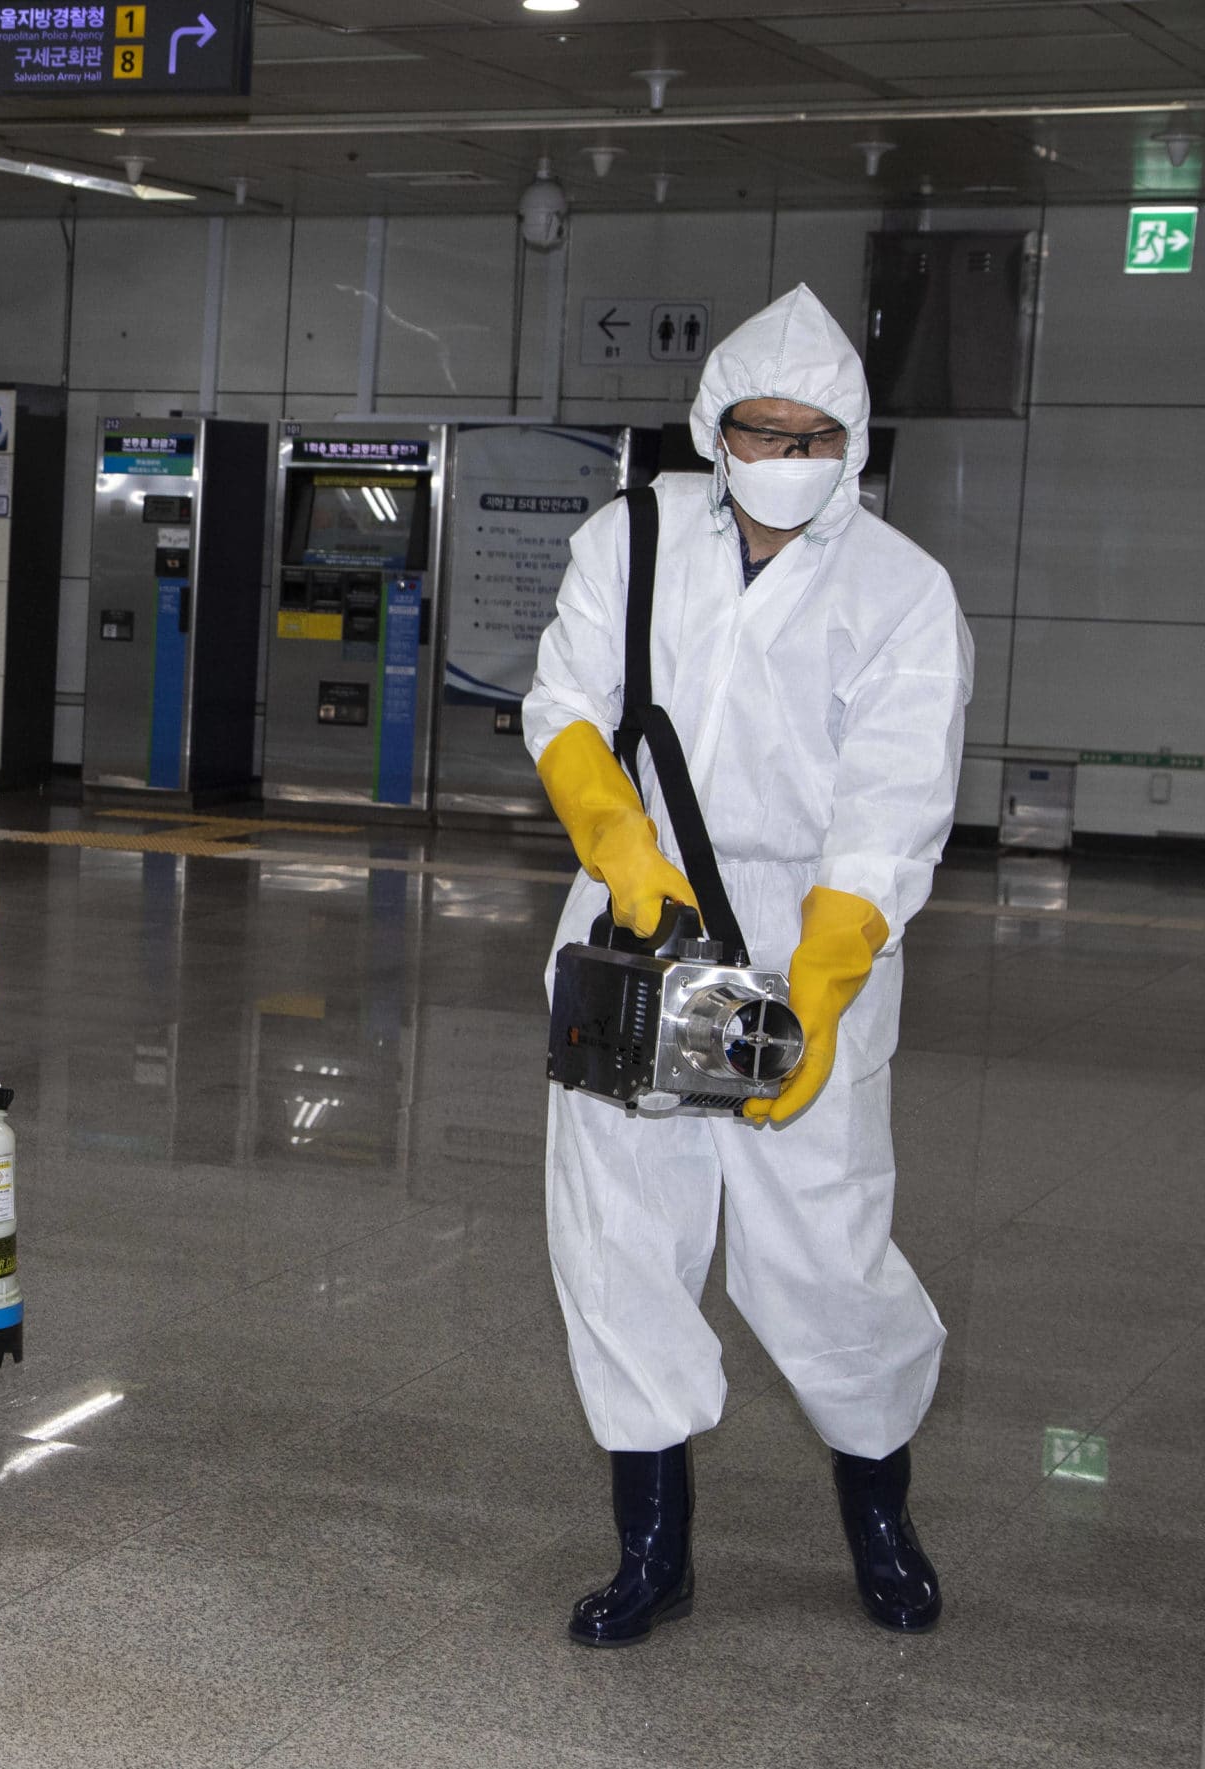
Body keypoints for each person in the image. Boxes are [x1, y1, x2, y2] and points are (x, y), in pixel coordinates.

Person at [523, 285, 971, 1645]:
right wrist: (618, 841)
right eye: (759, 428)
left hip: (806, 936)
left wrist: (824, 982)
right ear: (715, 430)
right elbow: (565, 702)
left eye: (812, 431)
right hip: (635, 929)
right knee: (622, 1242)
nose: (785, 453)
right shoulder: (633, 537)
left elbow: (894, 808)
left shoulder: (903, 591)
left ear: (854, 437)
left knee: (821, 1250)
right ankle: (652, 1546)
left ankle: (878, 1507)